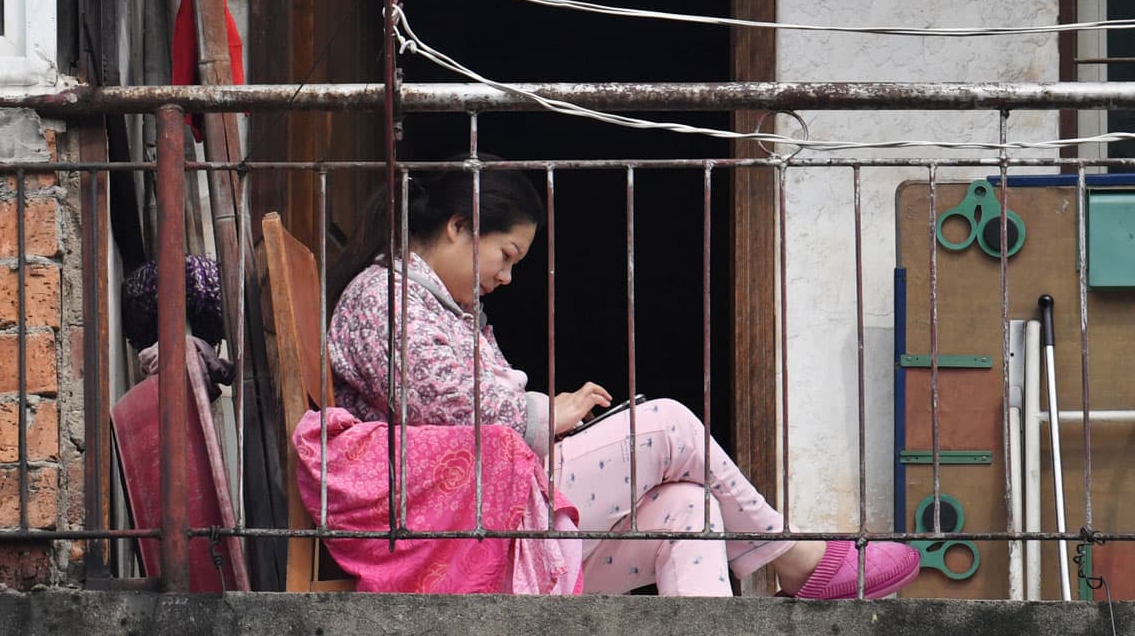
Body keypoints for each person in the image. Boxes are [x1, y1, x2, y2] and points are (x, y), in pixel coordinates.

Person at [323, 164, 921, 599]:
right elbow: (441, 405)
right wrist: (546, 413)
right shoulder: (383, 296)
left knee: (691, 509)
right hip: (446, 529)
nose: (507, 278)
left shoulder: (444, 309)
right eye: (506, 255)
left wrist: (548, 417)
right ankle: (794, 558)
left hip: (492, 520)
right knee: (668, 423)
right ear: (459, 226)